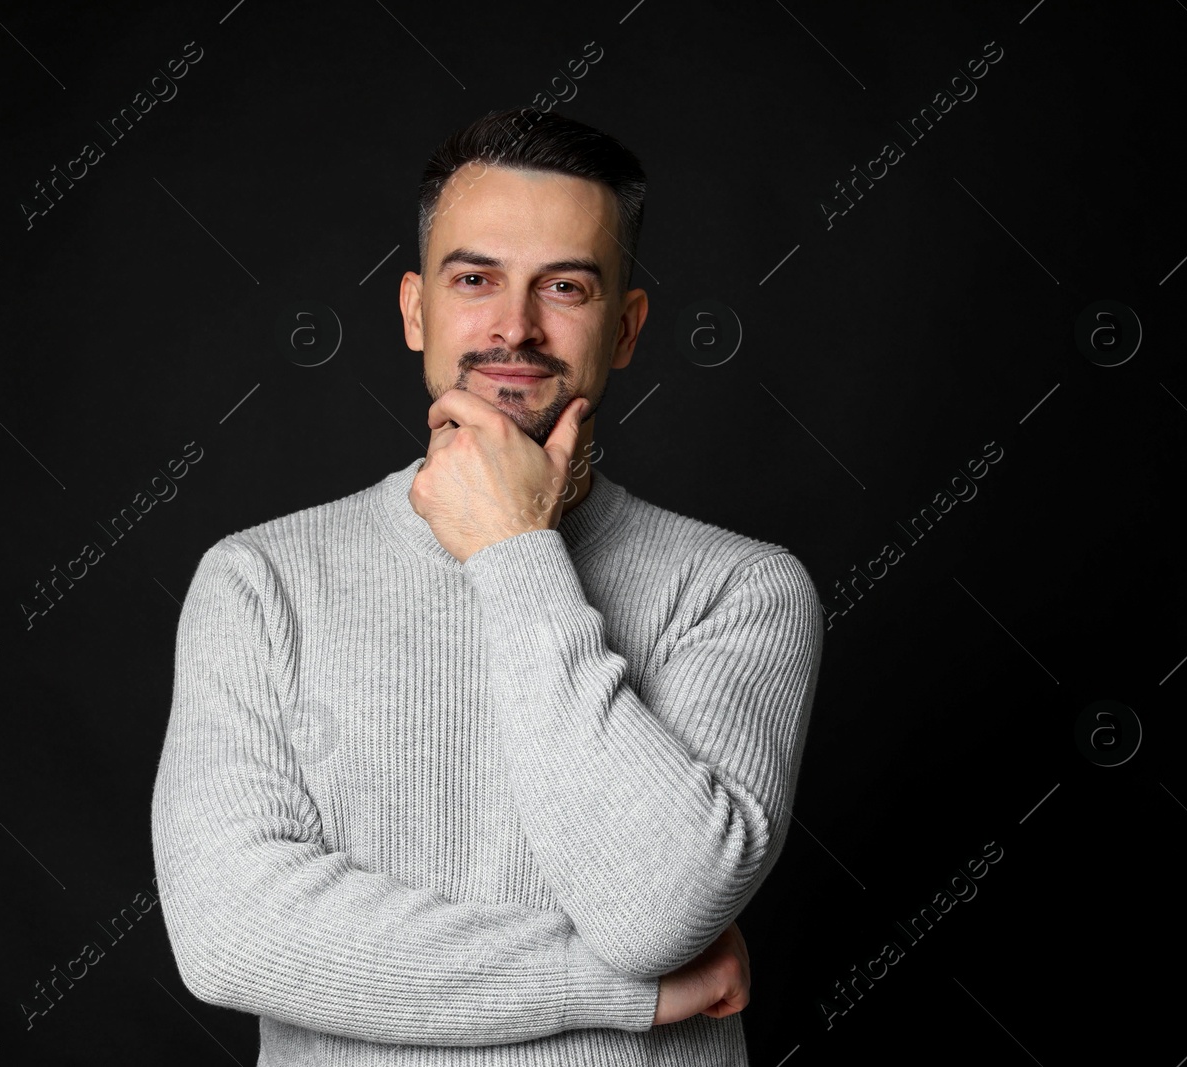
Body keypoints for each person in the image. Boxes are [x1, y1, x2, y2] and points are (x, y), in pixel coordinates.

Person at [151, 106, 825, 1066]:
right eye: (476, 279)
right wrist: (614, 992)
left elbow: (657, 913)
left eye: (565, 285)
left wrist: (514, 550)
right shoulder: (261, 581)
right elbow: (230, 932)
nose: (516, 325)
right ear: (417, 310)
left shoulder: (740, 590)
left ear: (626, 328)